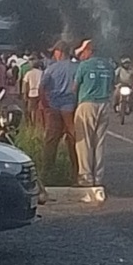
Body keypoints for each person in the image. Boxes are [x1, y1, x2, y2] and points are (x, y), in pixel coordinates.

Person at [72, 39, 114, 187]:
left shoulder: (84, 65)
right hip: (104, 104)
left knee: (84, 143)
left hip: (87, 104)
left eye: (82, 52)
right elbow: (112, 86)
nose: (81, 55)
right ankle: (98, 177)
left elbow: (74, 87)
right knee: (99, 143)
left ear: (88, 51)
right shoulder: (109, 66)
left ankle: (85, 177)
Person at [39, 40, 80, 186]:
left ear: (60, 52)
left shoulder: (51, 69)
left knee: (51, 141)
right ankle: (77, 174)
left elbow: (42, 87)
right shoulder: (77, 67)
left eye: (55, 51)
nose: (54, 54)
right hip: (71, 109)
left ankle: (47, 174)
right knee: (74, 141)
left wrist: (45, 104)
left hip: (54, 108)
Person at [22, 59, 44, 126]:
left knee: (32, 110)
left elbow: (25, 84)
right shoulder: (42, 73)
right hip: (40, 93)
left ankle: (33, 123)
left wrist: (25, 94)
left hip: (31, 93)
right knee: (40, 109)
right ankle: (40, 123)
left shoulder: (29, 73)